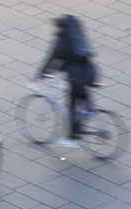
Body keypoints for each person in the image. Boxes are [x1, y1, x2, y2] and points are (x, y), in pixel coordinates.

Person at [39, 15, 98, 148]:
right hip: (90, 71)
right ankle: (89, 110)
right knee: (82, 99)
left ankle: (73, 138)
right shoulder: (78, 35)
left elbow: (52, 58)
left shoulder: (62, 41)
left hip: (78, 76)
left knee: (72, 106)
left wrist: (41, 75)